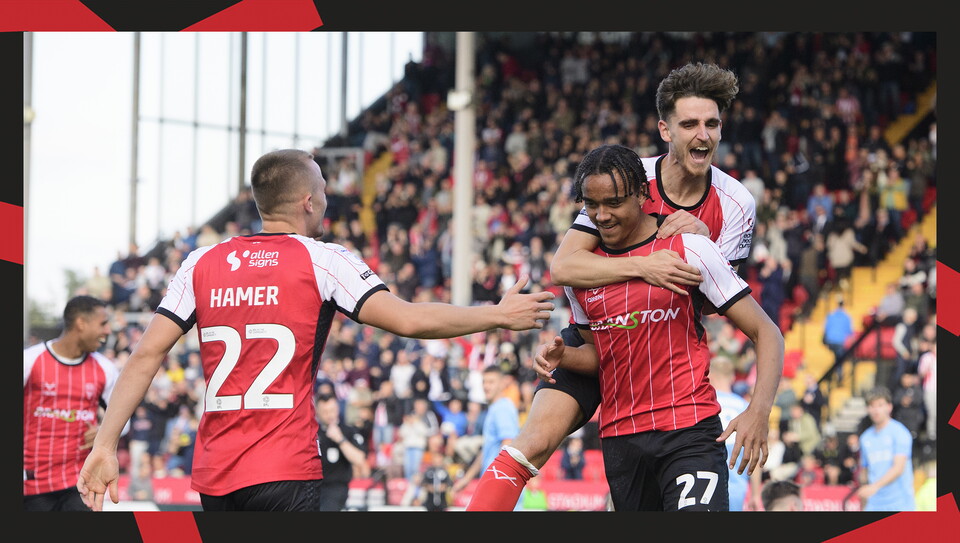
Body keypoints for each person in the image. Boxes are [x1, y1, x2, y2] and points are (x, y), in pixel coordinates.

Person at [77, 148, 555, 512]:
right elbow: (407, 319)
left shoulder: (201, 262)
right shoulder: (323, 259)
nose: (327, 197)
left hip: (215, 474)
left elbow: (144, 356)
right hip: (285, 466)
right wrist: (496, 313)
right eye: (324, 188)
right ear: (309, 201)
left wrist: (105, 443)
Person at [466, 62, 758, 511]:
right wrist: (644, 267)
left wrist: (699, 241)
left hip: (660, 345)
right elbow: (565, 266)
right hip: (602, 334)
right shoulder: (621, 177)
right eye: (689, 124)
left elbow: (719, 303)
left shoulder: (736, 203)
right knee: (533, 441)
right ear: (666, 129)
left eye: (712, 123)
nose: (702, 134)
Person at [531, 144, 783, 511]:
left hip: (689, 431)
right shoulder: (581, 274)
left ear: (642, 195)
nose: (601, 215)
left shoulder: (691, 249)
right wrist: (563, 355)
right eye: (591, 204)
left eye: (614, 203)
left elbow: (767, 332)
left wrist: (759, 411)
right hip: (621, 440)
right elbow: (602, 358)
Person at [23, 295, 129, 512]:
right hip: (32, 484)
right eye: (103, 323)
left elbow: (124, 421)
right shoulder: (30, 360)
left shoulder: (104, 368)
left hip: (80, 484)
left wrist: (104, 432)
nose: (108, 331)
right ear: (81, 323)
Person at [452, 364, 521, 507]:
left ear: (502, 383)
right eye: (484, 381)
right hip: (494, 484)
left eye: (491, 382)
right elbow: (486, 452)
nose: (486, 386)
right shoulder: (494, 409)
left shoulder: (503, 408)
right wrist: (466, 480)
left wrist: (498, 485)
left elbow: (508, 445)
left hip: (500, 488)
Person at [857, 386, 915, 511]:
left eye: (880, 405)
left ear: (889, 407)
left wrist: (874, 487)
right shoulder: (865, 438)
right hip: (874, 505)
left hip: (900, 504)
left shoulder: (900, 432)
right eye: (872, 406)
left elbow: (898, 468)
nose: (876, 410)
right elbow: (865, 471)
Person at [316, 393, 369, 511]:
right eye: (325, 411)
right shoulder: (312, 432)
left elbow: (359, 459)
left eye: (332, 410)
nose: (329, 415)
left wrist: (340, 439)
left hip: (336, 488)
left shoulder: (348, 431)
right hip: (314, 487)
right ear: (317, 412)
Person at [710, 355, 750, 511]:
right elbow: (754, 452)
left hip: (707, 487)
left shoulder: (705, 407)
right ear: (732, 377)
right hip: (737, 490)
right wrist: (755, 494)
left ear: (709, 376)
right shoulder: (745, 408)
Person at [822, 296, 854, 380]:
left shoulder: (830, 315)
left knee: (838, 357)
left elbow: (825, 329)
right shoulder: (847, 317)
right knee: (839, 358)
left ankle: (835, 374)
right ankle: (837, 374)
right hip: (840, 342)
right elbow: (850, 332)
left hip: (831, 341)